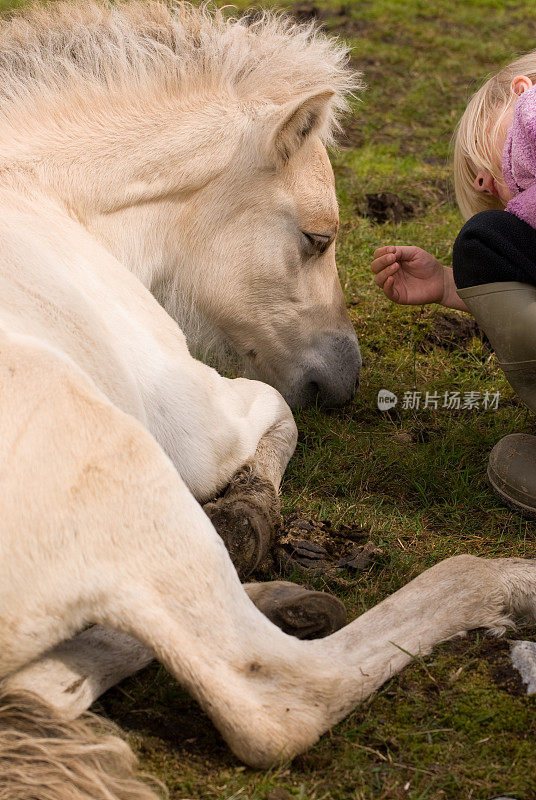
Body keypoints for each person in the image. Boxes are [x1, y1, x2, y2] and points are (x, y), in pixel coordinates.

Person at [370, 53, 536, 519]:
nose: (484, 180)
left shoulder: (530, 109)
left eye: (482, 157)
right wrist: (447, 284)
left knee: (486, 239)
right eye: (483, 186)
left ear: (522, 91)